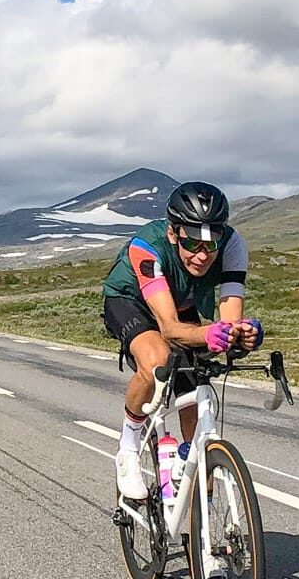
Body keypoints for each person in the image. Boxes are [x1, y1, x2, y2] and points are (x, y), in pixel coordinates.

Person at [101, 181, 262, 504]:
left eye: (210, 245)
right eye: (192, 244)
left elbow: (228, 321)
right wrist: (207, 334)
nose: (202, 255)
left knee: (194, 379)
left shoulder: (232, 245)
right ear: (174, 233)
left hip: (182, 304)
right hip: (131, 301)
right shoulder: (147, 247)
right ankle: (128, 450)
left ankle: (200, 505)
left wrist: (241, 335)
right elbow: (171, 329)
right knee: (158, 359)